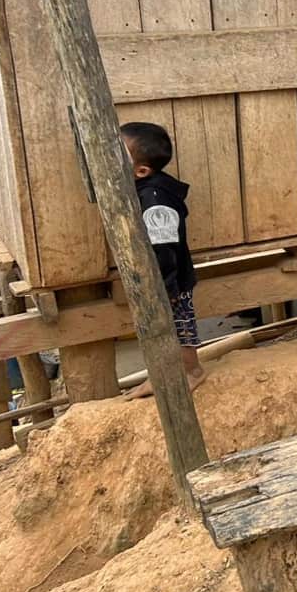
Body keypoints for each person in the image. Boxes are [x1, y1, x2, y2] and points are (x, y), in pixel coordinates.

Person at [120, 122, 206, 399]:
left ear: (141, 171)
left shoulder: (155, 200)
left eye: (118, 152)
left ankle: (192, 371)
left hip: (171, 278)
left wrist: (166, 287)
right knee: (159, 329)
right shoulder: (144, 189)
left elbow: (164, 247)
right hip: (157, 277)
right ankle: (162, 375)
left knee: (180, 326)